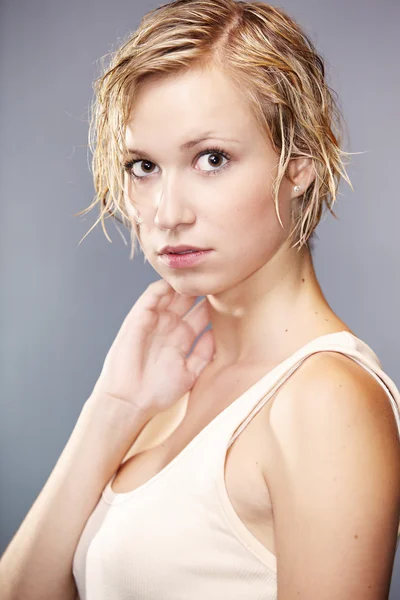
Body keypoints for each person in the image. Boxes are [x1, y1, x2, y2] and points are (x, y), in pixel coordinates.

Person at [1, 0, 399, 599]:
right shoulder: (161, 388)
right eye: (144, 166)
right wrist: (110, 409)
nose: (167, 213)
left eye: (211, 159)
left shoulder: (324, 401)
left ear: (300, 166)